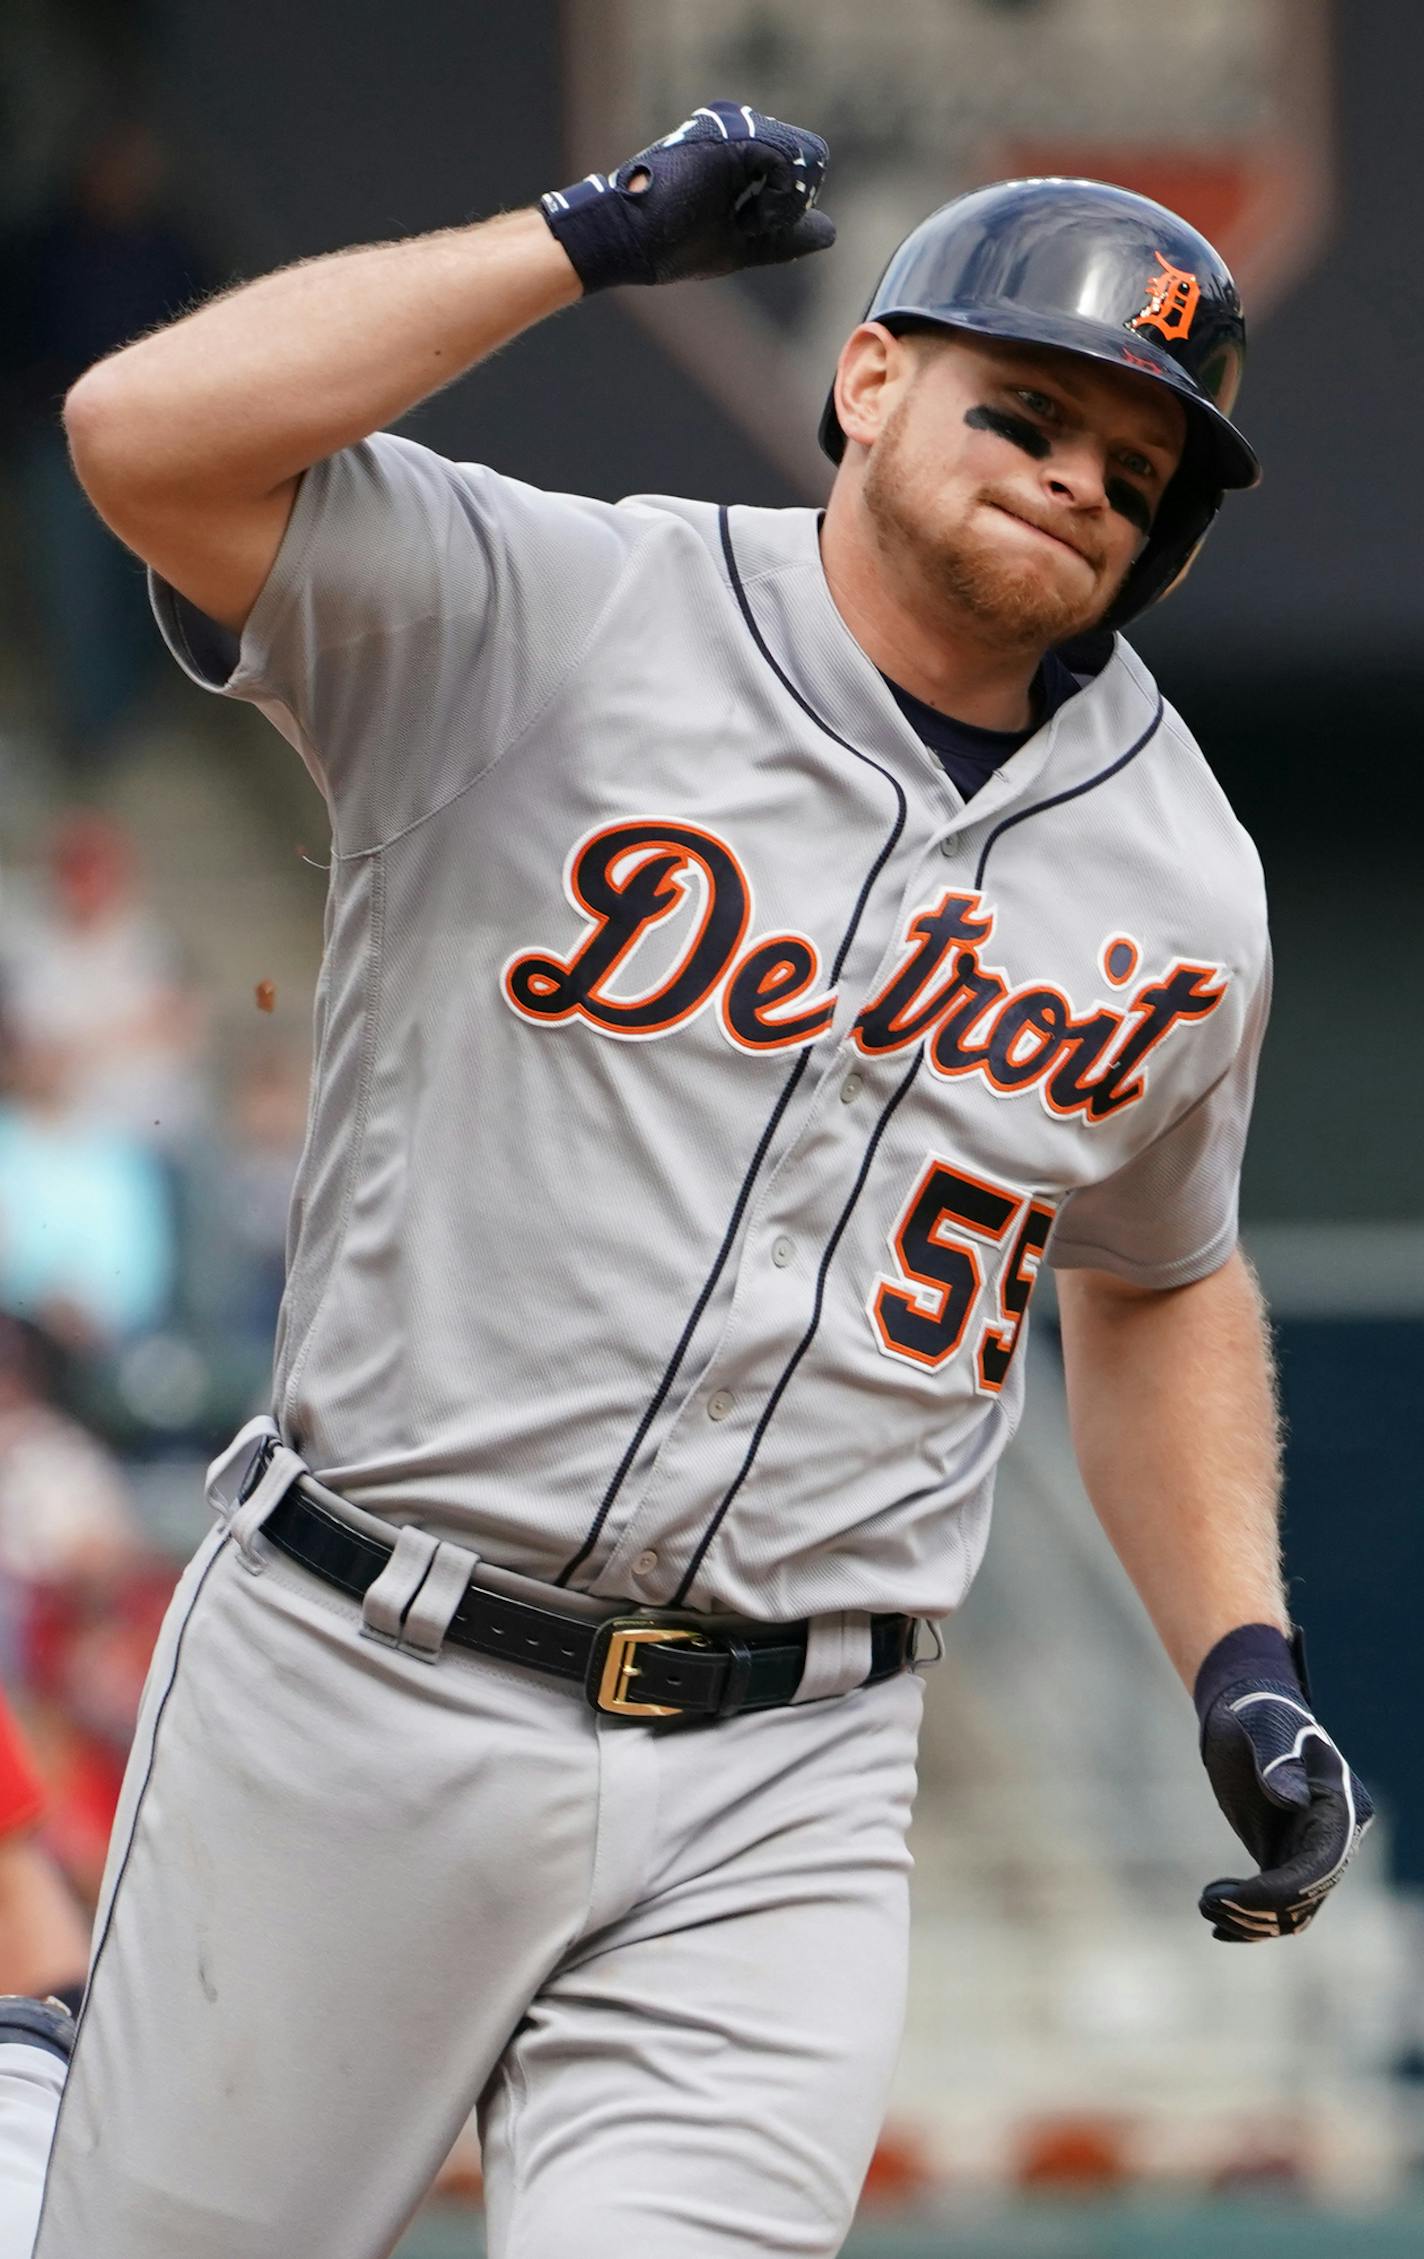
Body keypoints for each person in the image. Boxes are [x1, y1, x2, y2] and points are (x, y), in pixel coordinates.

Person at [0, 103, 1368, 2259]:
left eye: (1141, 473)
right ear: (869, 377)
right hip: (371, 1659)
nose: (1081, 479)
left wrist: (1241, 1653)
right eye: (1034, 407)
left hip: (792, 1765)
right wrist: (574, 239)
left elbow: (1155, 1271)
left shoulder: (1185, 873)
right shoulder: (546, 601)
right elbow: (139, 436)